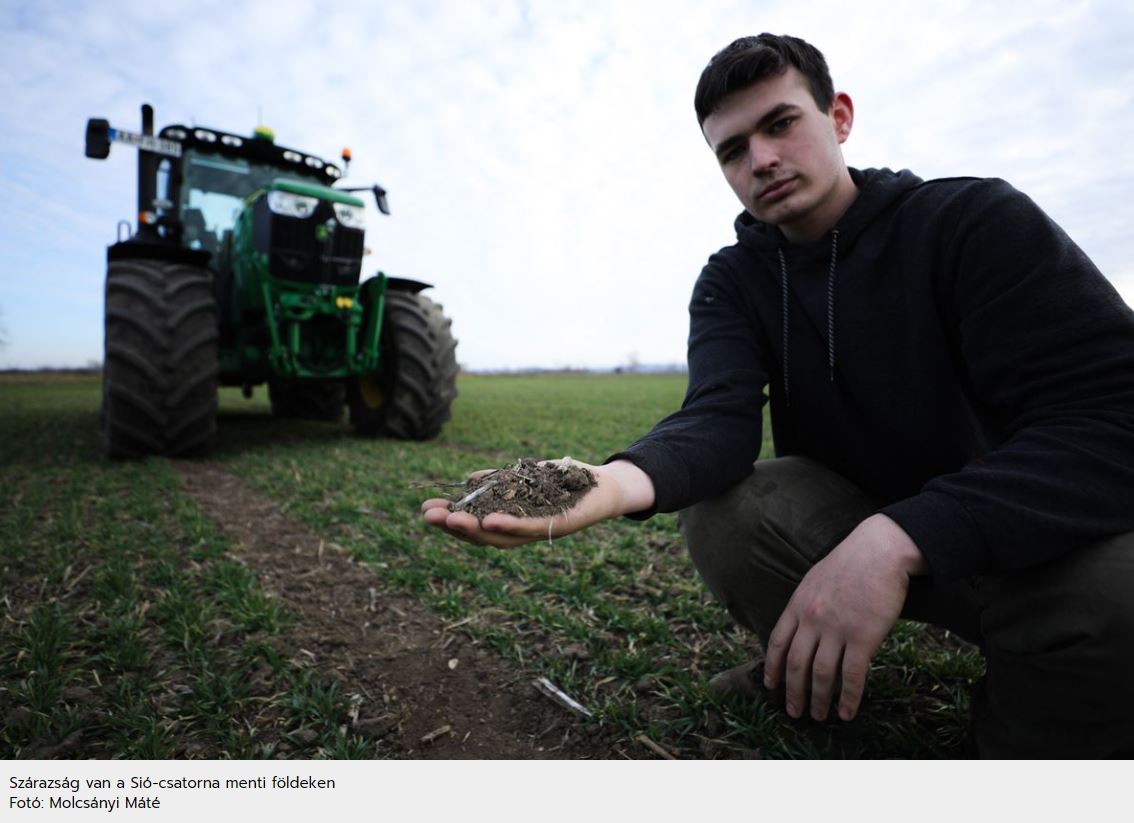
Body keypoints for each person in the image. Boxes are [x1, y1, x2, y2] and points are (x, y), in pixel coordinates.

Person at [422, 33, 1134, 757]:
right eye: (732, 150)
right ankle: (808, 677)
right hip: (862, 523)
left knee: (1116, 593)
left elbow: (1113, 417)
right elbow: (718, 421)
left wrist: (901, 537)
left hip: (1018, 540)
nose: (759, 159)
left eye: (781, 123)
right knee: (729, 509)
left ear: (840, 116)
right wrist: (602, 482)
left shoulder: (970, 222)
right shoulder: (735, 279)